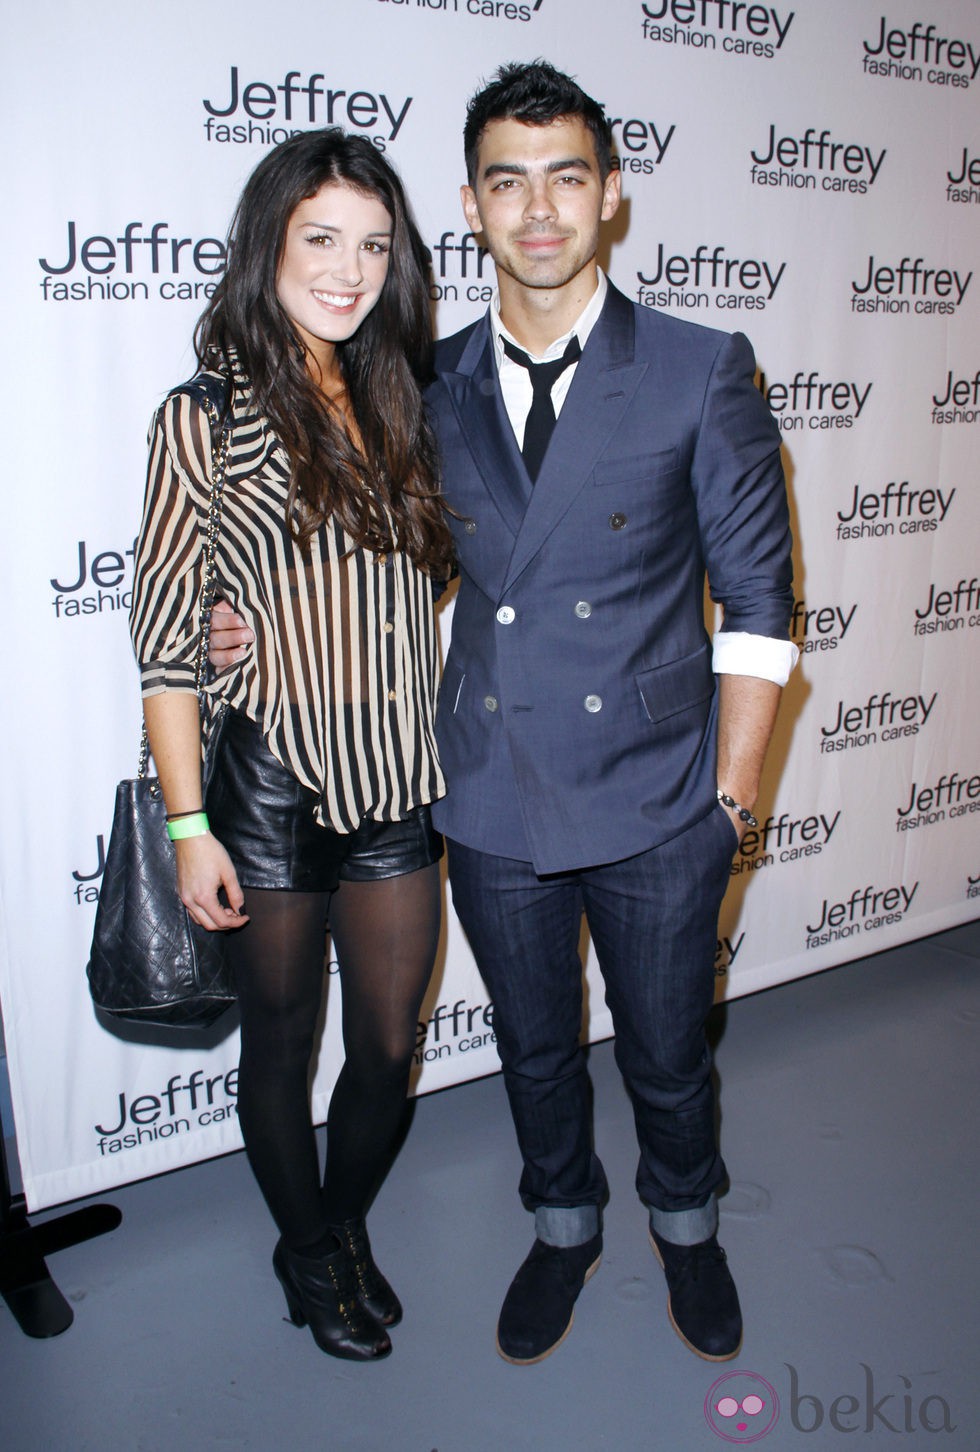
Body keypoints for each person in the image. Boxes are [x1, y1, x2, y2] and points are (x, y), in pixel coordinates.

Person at [212, 61, 797, 1367]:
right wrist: (244, 617)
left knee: (664, 1054)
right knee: (535, 1048)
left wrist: (730, 807)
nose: (539, 209)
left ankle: (688, 1226)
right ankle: (564, 1224)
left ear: (611, 198)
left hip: (660, 799)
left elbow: (759, 606)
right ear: (471, 207)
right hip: (485, 791)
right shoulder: (425, 378)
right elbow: (364, 551)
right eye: (507, 181)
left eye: (567, 177)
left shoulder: (703, 370)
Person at [130, 128, 455, 1362]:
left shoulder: (397, 403)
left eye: (373, 245)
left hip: (394, 782)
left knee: (386, 1044)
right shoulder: (202, 418)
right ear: (269, 241)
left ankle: (337, 1220)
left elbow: (410, 589)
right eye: (322, 239)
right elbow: (167, 642)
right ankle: (310, 1251)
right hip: (264, 784)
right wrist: (186, 823)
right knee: (283, 1045)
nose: (349, 269)